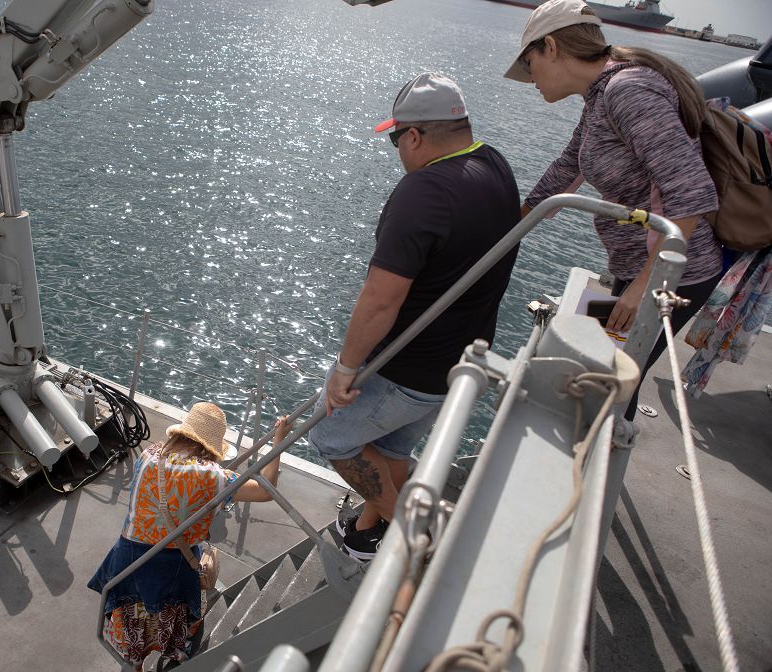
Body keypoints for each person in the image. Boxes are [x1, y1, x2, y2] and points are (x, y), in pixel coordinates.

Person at [308, 72, 521, 560]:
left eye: (395, 139)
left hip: (406, 371)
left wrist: (345, 370)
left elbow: (380, 298)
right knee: (392, 449)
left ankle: (416, 535)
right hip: (460, 364)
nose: (397, 151)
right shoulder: (494, 165)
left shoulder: (422, 191)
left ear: (415, 136)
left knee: (331, 435)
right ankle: (369, 535)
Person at [505, 0, 723, 420]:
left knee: (607, 386)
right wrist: (506, 230)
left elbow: (692, 193)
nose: (529, 78)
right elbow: (567, 169)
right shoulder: (601, 95)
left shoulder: (628, 91)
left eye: (528, 63)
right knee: (591, 371)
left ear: (551, 46)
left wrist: (644, 288)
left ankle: (595, 470)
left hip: (671, 277)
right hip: (635, 269)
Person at [88, 402, 291, 672]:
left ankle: (135, 668)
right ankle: (174, 653)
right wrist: (279, 439)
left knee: (133, 623)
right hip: (171, 564)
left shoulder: (148, 456)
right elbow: (266, 489)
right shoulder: (212, 477)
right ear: (210, 447)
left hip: (128, 558)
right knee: (170, 614)